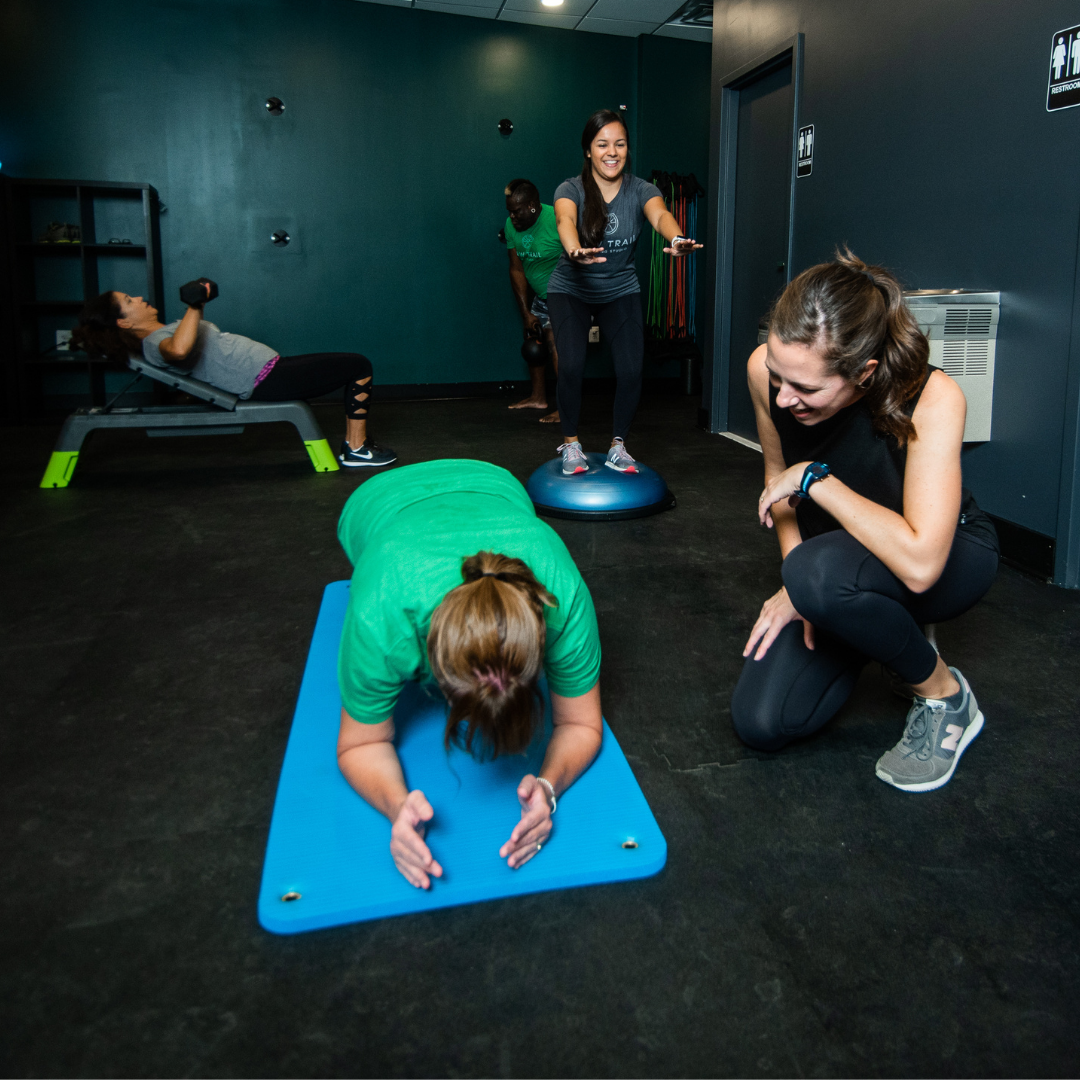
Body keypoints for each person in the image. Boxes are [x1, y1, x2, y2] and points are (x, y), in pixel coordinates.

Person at [732, 250, 999, 793]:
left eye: (806, 389)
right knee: (762, 721)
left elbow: (921, 565)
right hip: (836, 565)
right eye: (779, 378)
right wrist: (799, 586)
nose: (784, 397)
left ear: (864, 373)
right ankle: (862, 617)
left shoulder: (932, 396)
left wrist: (817, 480)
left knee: (820, 576)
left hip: (943, 556)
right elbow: (778, 481)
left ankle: (944, 695)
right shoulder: (765, 370)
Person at [335, 459, 603, 888]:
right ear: (432, 671)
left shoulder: (560, 591)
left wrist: (549, 790)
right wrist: (396, 807)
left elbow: (581, 723)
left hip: (493, 482)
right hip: (378, 500)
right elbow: (360, 743)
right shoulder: (383, 613)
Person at [70, 287, 396, 468]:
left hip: (272, 370)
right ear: (124, 323)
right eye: (129, 301)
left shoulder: (163, 332)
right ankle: (356, 448)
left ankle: (356, 446)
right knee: (358, 365)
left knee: (354, 363)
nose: (139, 298)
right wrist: (195, 304)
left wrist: (195, 307)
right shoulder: (155, 343)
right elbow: (179, 351)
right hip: (266, 379)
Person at [546, 108, 702, 476]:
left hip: (620, 289)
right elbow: (564, 219)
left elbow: (660, 214)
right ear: (588, 150)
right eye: (602, 144)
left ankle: (618, 446)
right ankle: (571, 444)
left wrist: (676, 237)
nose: (611, 152)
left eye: (620, 144)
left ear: (628, 149)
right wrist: (574, 249)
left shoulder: (641, 189)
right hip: (571, 289)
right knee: (571, 364)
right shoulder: (570, 189)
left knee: (632, 369)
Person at [504, 178, 562, 423]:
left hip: (566, 296)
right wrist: (526, 312)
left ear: (532, 206)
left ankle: (566, 408)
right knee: (534, 344)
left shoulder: (557, 219)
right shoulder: (511, 225)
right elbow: (516, 269)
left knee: (557, 345)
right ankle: (538, 398)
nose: (512, 217)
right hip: (540, 297)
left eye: (516, 211)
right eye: (509, 211)